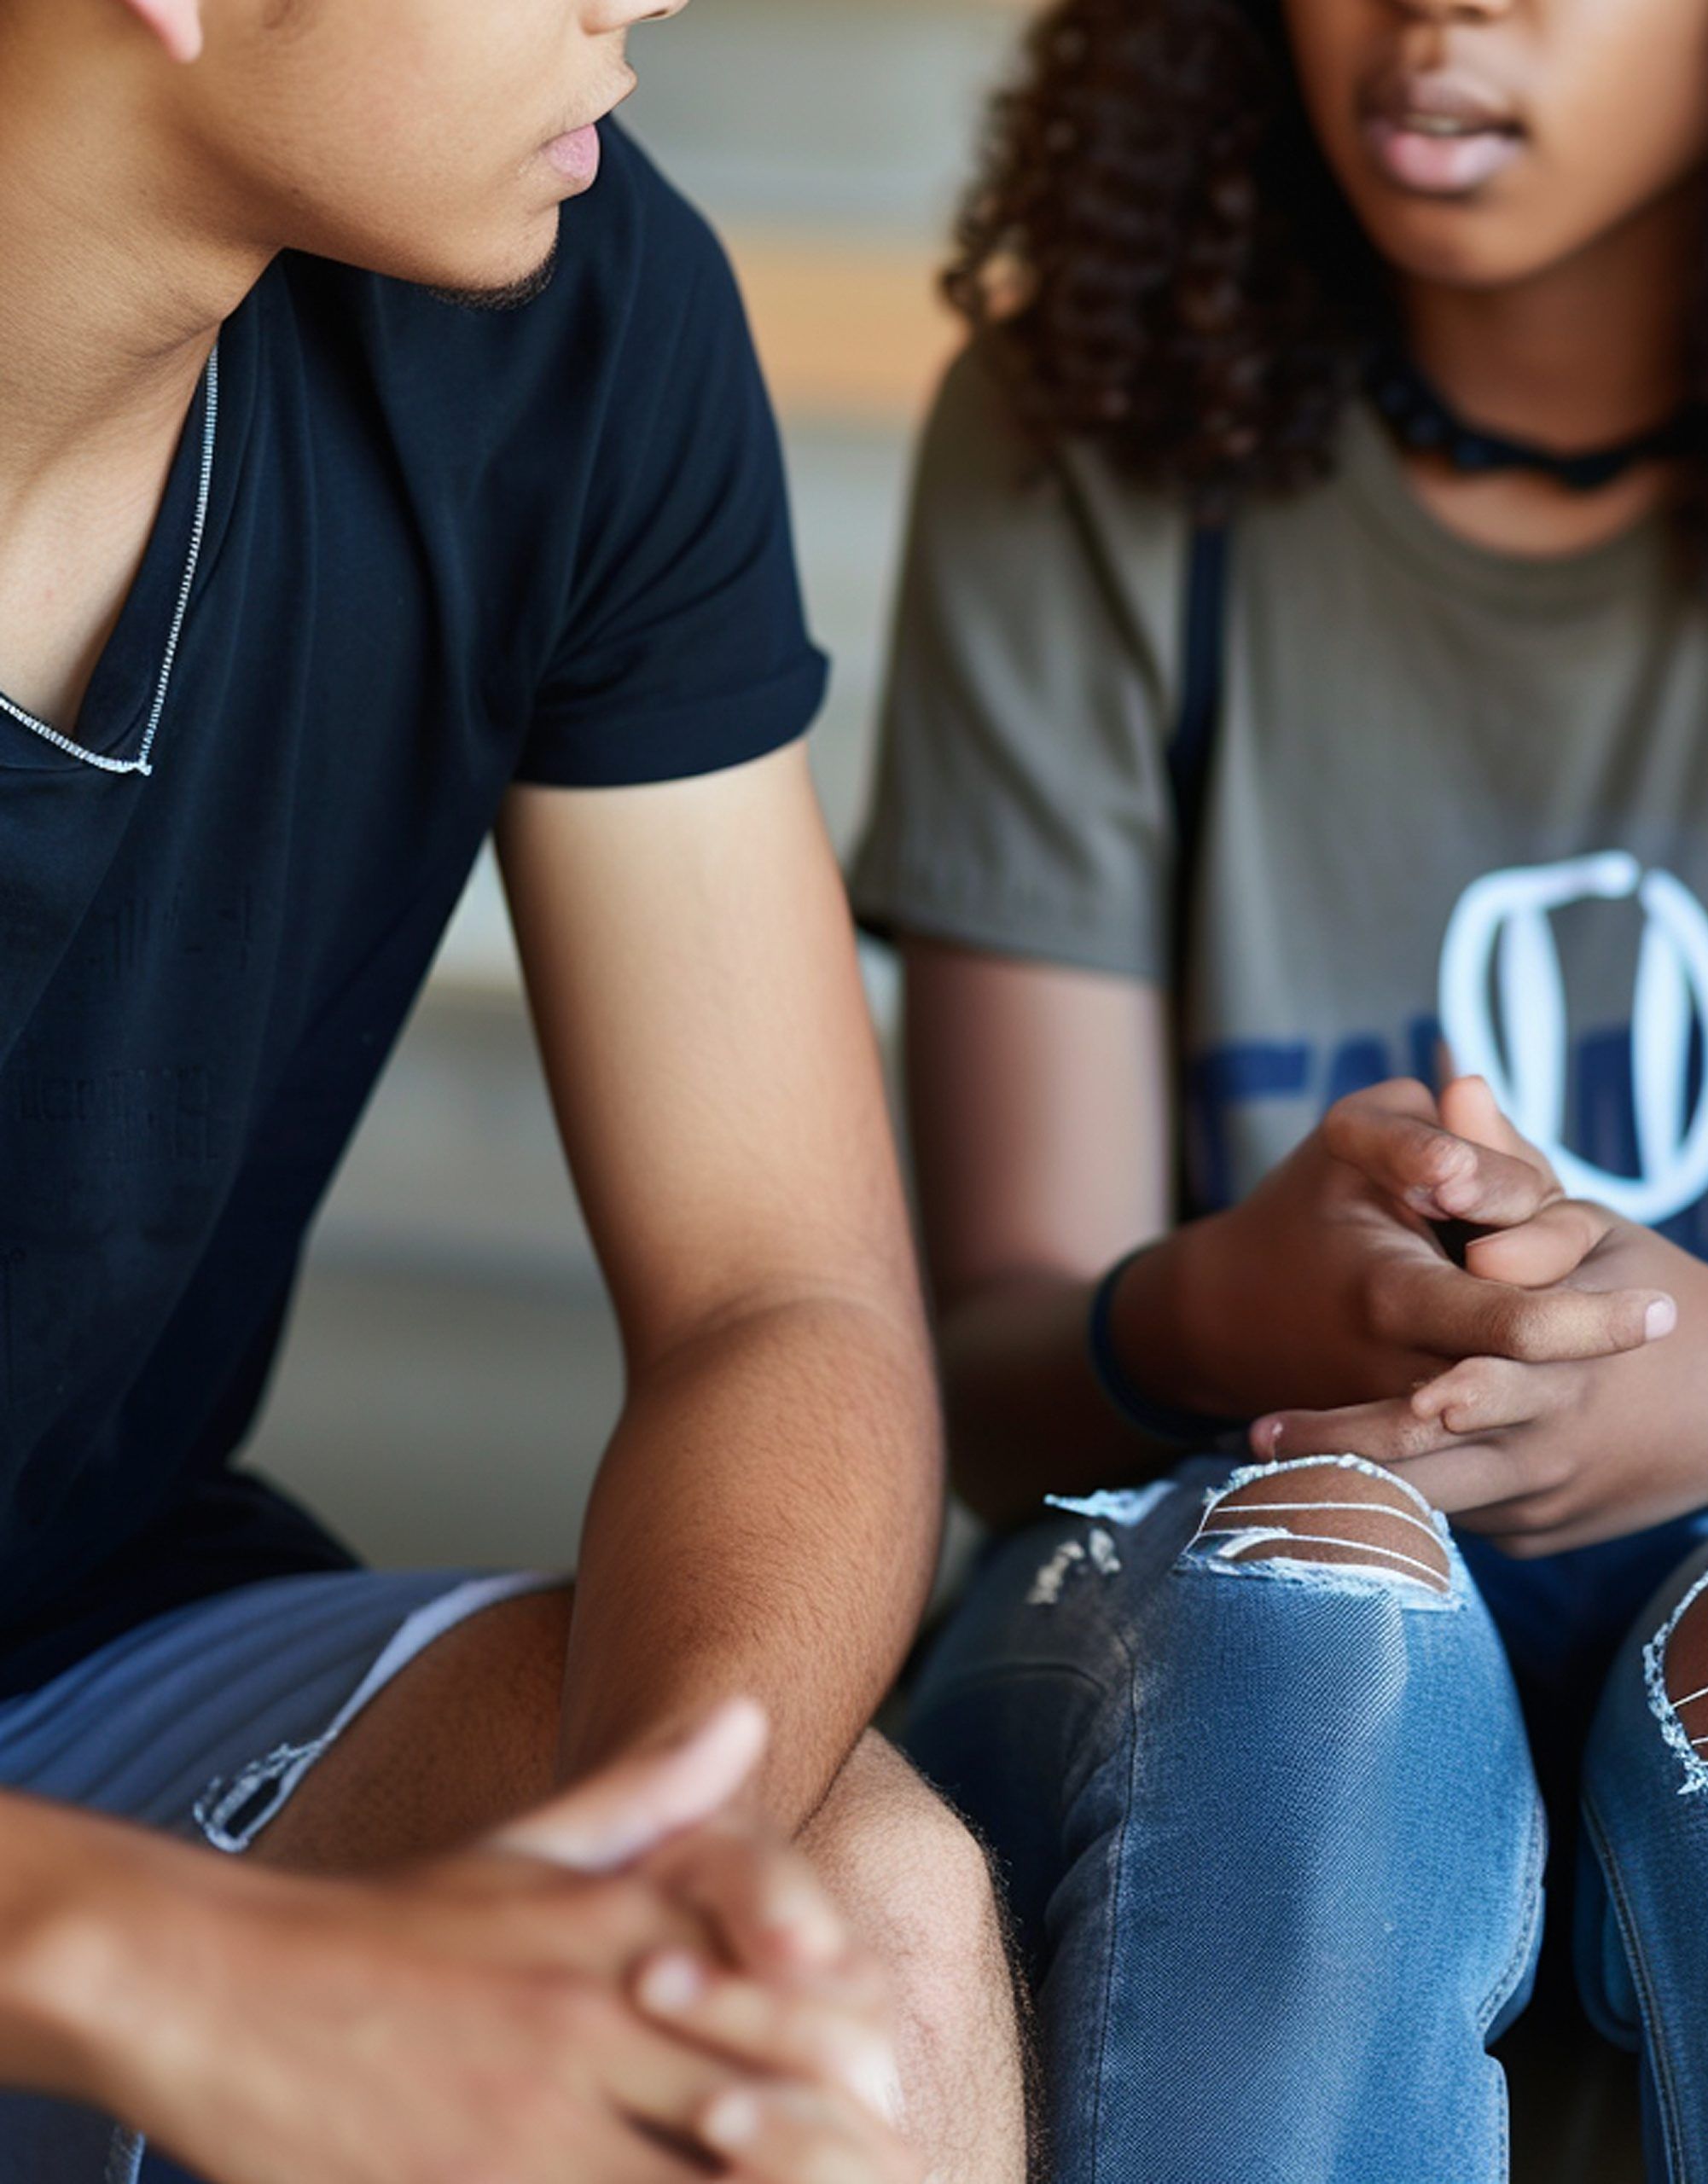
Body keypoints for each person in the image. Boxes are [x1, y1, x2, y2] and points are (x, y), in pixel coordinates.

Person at [842, 0, 1708, 2171]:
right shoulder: (1078, 430)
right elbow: (1003, 1387)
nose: (1438, 15)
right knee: (1322, 1601)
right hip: (1231, 1543)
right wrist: (1226, 1305)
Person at [0, 1, 1024, 2178]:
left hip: (80, 1664)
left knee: (843, 1952)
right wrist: (184, 1973)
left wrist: (663, 1864)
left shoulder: (576, 326)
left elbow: (782, 1291)